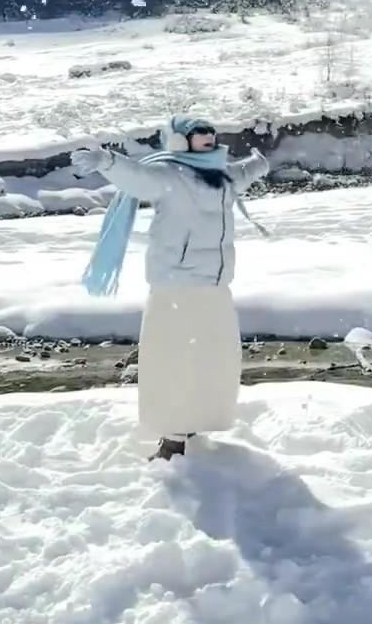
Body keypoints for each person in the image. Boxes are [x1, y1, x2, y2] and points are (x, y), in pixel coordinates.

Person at [72, 117, 269, 460]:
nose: (208, 138)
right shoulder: (168, 176)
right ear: (178, 141)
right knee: (173, 361)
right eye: (198, 134)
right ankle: (173, 436)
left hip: (215, 285)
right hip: (176, 287)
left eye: (211, 133)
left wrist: (258, 164)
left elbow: (244, 173)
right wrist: (107, 161)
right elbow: (136, 177)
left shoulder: (221, 175)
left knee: (213, 357)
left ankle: (196, 421)